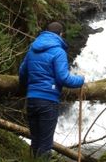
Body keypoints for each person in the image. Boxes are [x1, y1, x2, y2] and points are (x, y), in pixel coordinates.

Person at [19, 21, 85, 158]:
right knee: (45, 144)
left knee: (35, 141)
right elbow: (63, 78)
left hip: (31, 100)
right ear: (61, 34)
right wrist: (80, 80)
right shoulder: (58, 51)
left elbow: (22, 72)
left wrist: (30, 87)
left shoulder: (33, 48)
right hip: (48, 102)